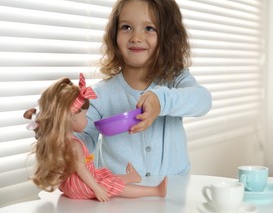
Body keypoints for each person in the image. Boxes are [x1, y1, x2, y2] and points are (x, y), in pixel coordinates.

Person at [76, 0, 212, 177]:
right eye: (126, 27)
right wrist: (56, 134)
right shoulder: (100, 95)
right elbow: (82, 139)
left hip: (172, 197)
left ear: (168, 37)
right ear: (114, 35)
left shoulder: (175, 80)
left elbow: (203, 100)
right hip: (120, 201)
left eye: (149, 28)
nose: (136, 37)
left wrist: (160, 101)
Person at [24, 74, 167, 202]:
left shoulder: (64, 140)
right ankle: (155, 191)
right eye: (84, 115)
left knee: (104, 176)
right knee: (112, 187)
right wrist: (97, 189)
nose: (87, 120)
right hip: (79, 187)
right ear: (71, 117)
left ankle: (132, 178)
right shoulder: (74, 145)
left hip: (70, 185)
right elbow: (81, 169)